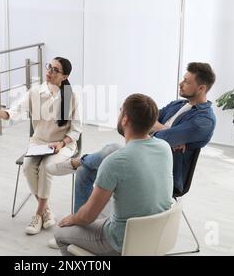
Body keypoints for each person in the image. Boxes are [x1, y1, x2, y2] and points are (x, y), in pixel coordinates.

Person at [49, 62, 216, 213]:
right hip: (141, 157)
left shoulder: (204, 120)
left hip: (162, 173)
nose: (181, 83)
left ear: (201, 88)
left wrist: (159, 130)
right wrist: (166, 130)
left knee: (113, 149)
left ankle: (77, 163)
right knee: (85, 171)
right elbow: (145, 120)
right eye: (183, 79)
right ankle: (80, 222)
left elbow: (157, 134)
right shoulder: (178, 104)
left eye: (187, 81)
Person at [53, 94, 173, 255]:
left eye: (120, 111)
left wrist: (72, 218)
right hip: (156, 235)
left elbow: (87, 217)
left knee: (60, 232)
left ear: (125, 119)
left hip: (121, 241)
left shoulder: (115, 161)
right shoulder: (165, 148)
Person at [0, 57, 81, 235]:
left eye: (55, 70)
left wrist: (61, 143)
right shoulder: (35, 92)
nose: (49, 71)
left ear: (64, 76)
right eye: (49, 67)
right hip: (39, 142)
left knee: (46, 167)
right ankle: (47, 211)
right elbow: (12, 112)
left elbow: (76, 130)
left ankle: (37, 214)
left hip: (62, 145)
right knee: (27, 167)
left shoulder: (71, 96)